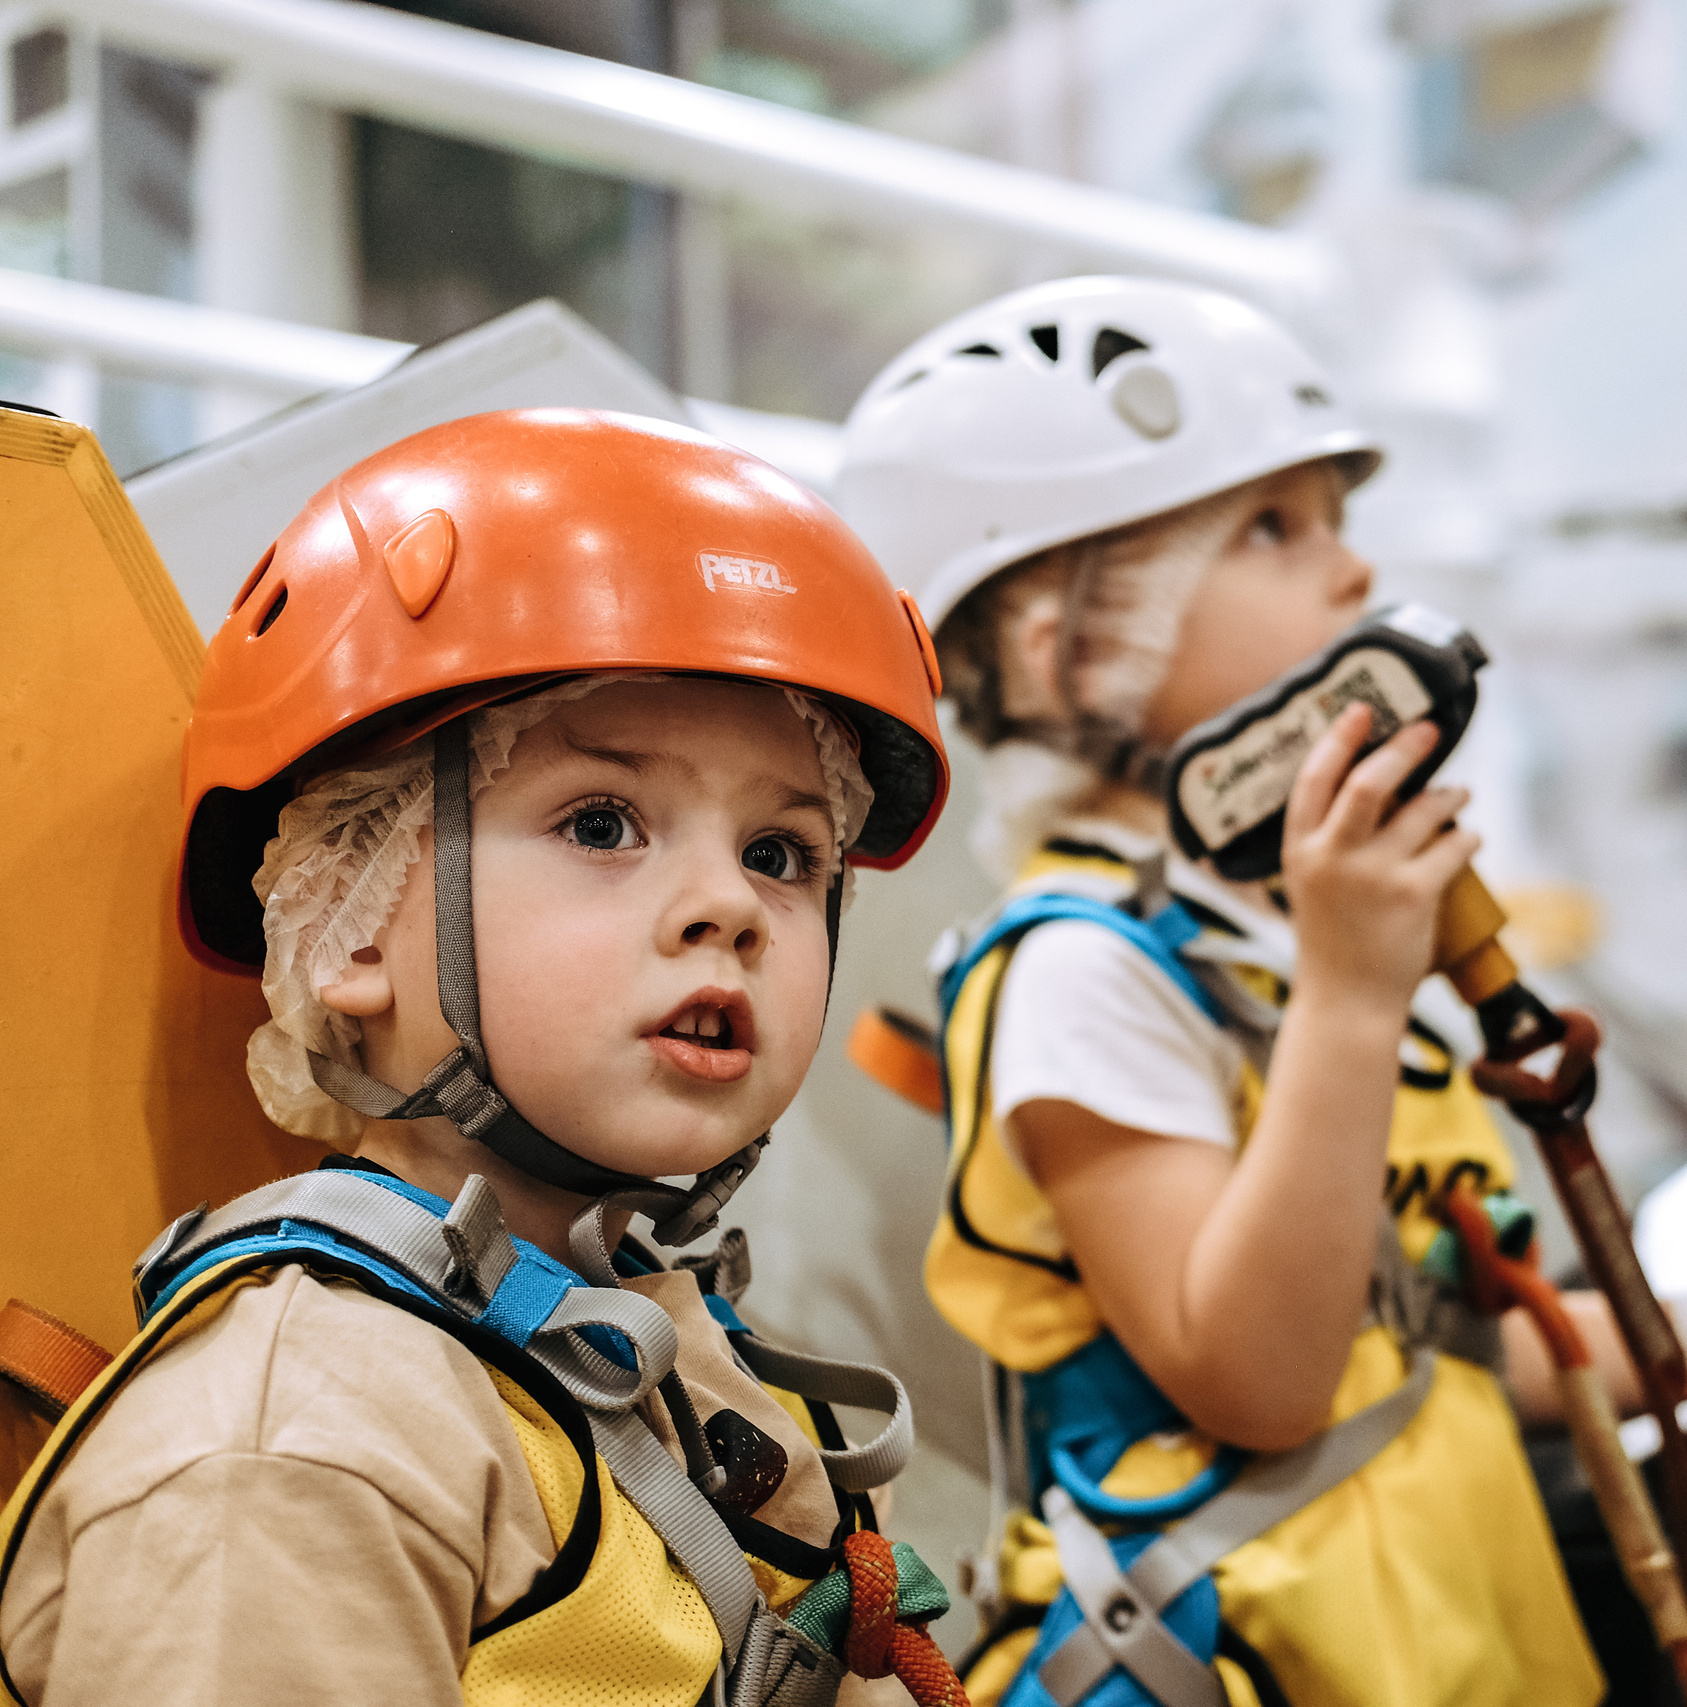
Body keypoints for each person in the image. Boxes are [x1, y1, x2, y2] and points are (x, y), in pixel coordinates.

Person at [837, 277, 1687, 1706]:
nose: (1348, 574)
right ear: (1059, 640)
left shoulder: (1269, 952)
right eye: (1272, 529)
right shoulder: (1082, 973)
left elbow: (1437, 1345)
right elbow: (1262, 1380)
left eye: (1337, 523)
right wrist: (1352, 994)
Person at [0, 410, 965, 1707]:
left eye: (781, 855)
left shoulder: (679, 1355)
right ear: (344, 919)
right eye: (604, 822)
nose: (728, 910)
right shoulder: (300, 1452)